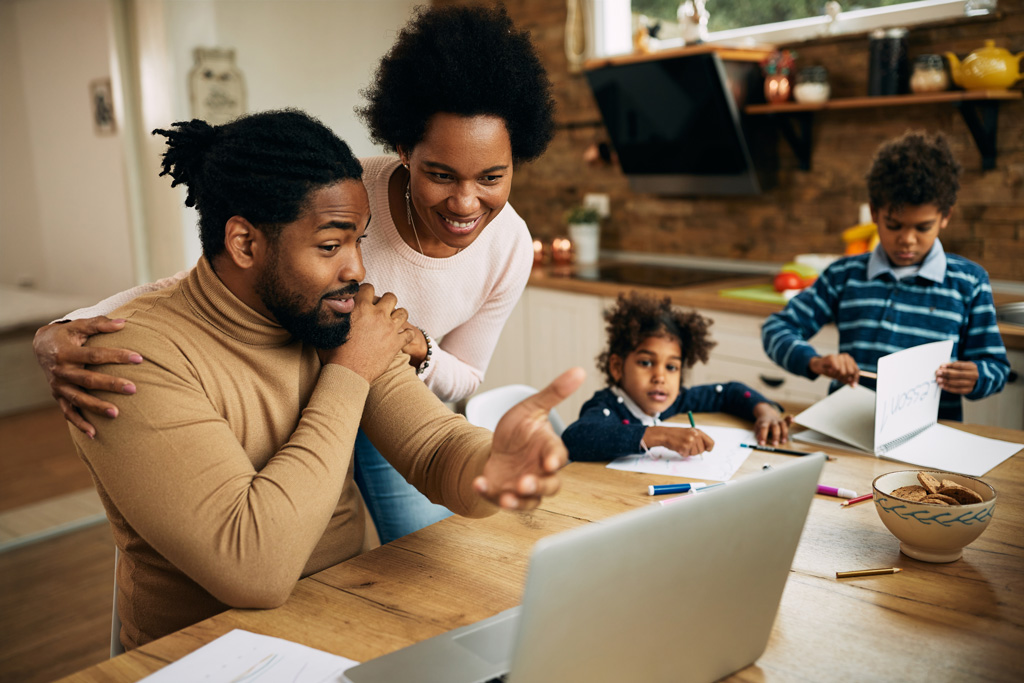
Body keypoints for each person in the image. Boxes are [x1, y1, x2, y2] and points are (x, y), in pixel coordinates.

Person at [32, 5, 556, 543]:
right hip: (324, 372)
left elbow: (448, 418)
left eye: (492, 176)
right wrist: (75, 321)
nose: (466, 202)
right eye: (441, 174)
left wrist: (423, 359)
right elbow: (210, 278)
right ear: (403, 151)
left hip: (383, 373)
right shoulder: (348, 192)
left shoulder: (507, 247)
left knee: (425, 546)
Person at [65, 109, 582, 650]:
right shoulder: (128, 361)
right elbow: (253, 567)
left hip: (343, 630)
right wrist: (350, 371)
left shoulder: (332, 314)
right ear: (244, 244)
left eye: (359, 241)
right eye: (331, 246)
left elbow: (432, 446)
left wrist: (491, 464)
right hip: (210, 657)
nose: (357, 270)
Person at [761, 131, 1009, 420]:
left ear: (945, 216)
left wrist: (978, 376)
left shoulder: (969, 283)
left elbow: (997, 367)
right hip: (848, 428)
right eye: (894, 225)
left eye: (923, 227)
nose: (907, 240)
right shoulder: (844, 275)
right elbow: (776, 329)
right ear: (875, 213)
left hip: (931, 437)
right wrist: (815, 362)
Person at [562, 292, 789, 462]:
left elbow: (728, 393)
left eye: (671, 367)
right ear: (617, 366)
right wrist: (659, 435)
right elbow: (576, 437)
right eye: (646, 363)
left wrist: (765, 411)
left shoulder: (674, 400)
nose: (660, 377)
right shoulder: (606, 407)